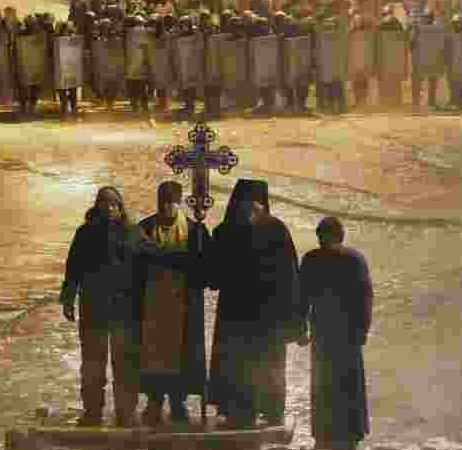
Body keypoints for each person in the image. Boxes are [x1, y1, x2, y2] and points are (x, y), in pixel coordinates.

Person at [207, 179, 304, 428]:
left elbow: (290, 277)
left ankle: (269, 411)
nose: (251, 209)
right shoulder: (227, 231)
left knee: (266, 363)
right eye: (247, 204)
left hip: (264, 314)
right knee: (241, 363)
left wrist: (293, 319)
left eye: (255, 204)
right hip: (239, 313)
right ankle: (239, 410)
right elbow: (213, 276)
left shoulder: (276, 231)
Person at [60, 187, 157, 428]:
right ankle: (92, 412)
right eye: (106, 204)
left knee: (125, 365)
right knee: (93, 364)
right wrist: (68, 298)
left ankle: (126, 413)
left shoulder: (133, 233)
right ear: (98, 207)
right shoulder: (85, 234)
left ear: (121, 208)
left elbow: (154, 259)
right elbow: (73, 269)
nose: (111, 208)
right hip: (94, 310)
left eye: (115, 204)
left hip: (125, 310)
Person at [135, 181, 211, 426]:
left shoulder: (194, 230)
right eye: (164, 202)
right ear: (158, 203)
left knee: (182, 356)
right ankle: (155, 402)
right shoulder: (145, 227)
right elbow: (138, 260)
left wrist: (160, 256)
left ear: (179, 202)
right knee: (153, 355)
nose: (168, 206)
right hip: (152, 304)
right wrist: (180, 259)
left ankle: (178, 403)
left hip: (184, 305)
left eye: (172, 202)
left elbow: (202, 267)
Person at [297, 217, 373, 450]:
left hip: (330, 331)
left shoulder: (312, 259)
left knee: (326, 383)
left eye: (322, 237)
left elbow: (301, 297)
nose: (321, 241)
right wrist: (363, 330)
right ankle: (348, 434)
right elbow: (365, 298)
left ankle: (328, 435)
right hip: (343, 332)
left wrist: (300, 327)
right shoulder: (354, 259)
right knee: (346, 384)